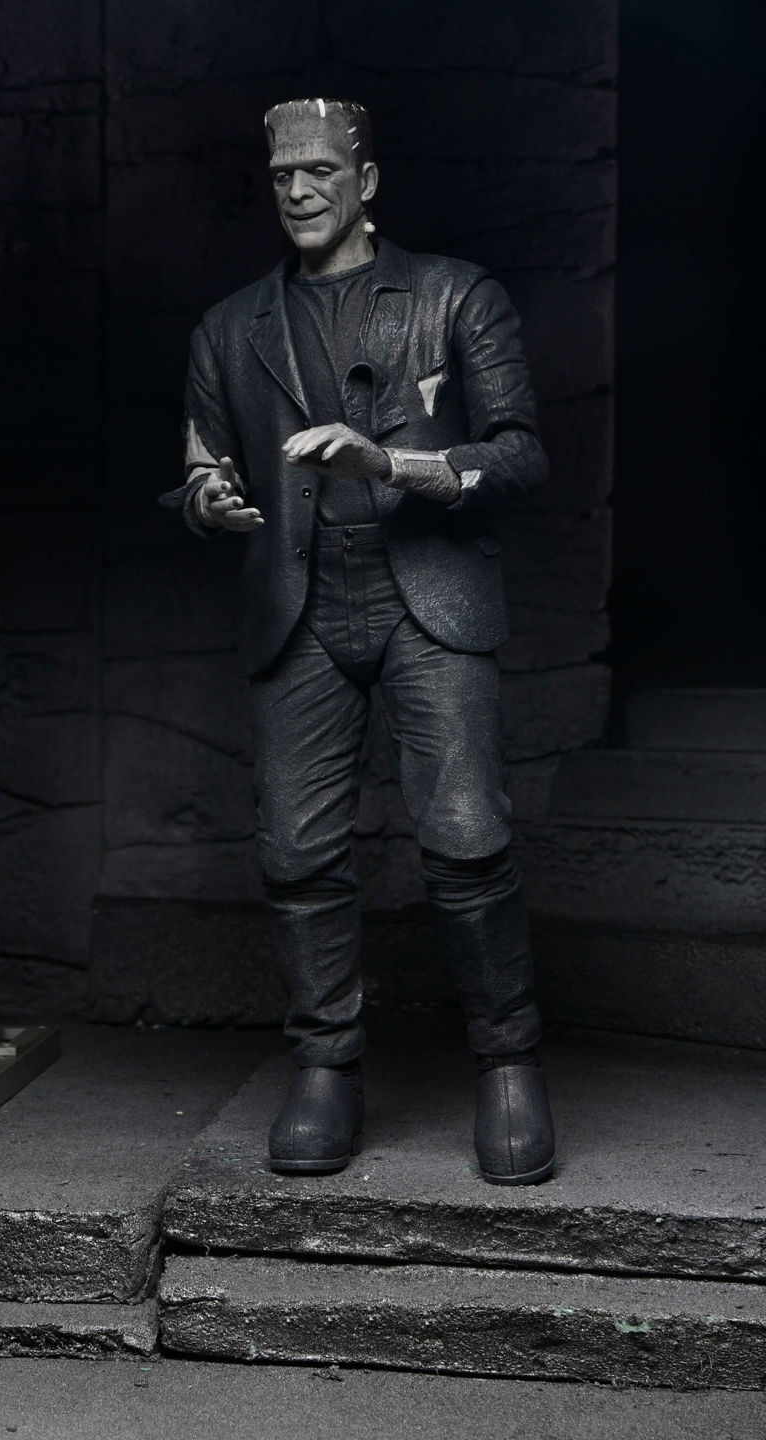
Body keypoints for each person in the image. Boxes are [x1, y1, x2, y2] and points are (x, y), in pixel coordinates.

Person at [162, 98, 555, 1185]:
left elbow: (520, 456)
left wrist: (389, 466)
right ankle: (327, 1065)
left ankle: (508, 1062)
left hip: (428, 591)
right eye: (281, 174)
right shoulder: (230, 327)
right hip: (297, 601)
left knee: (467, 835)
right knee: (296, 849)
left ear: (366, 182)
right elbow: (200, 465)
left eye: (321, 172)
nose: (297, 190)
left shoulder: (454, 295)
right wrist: (209, 502)